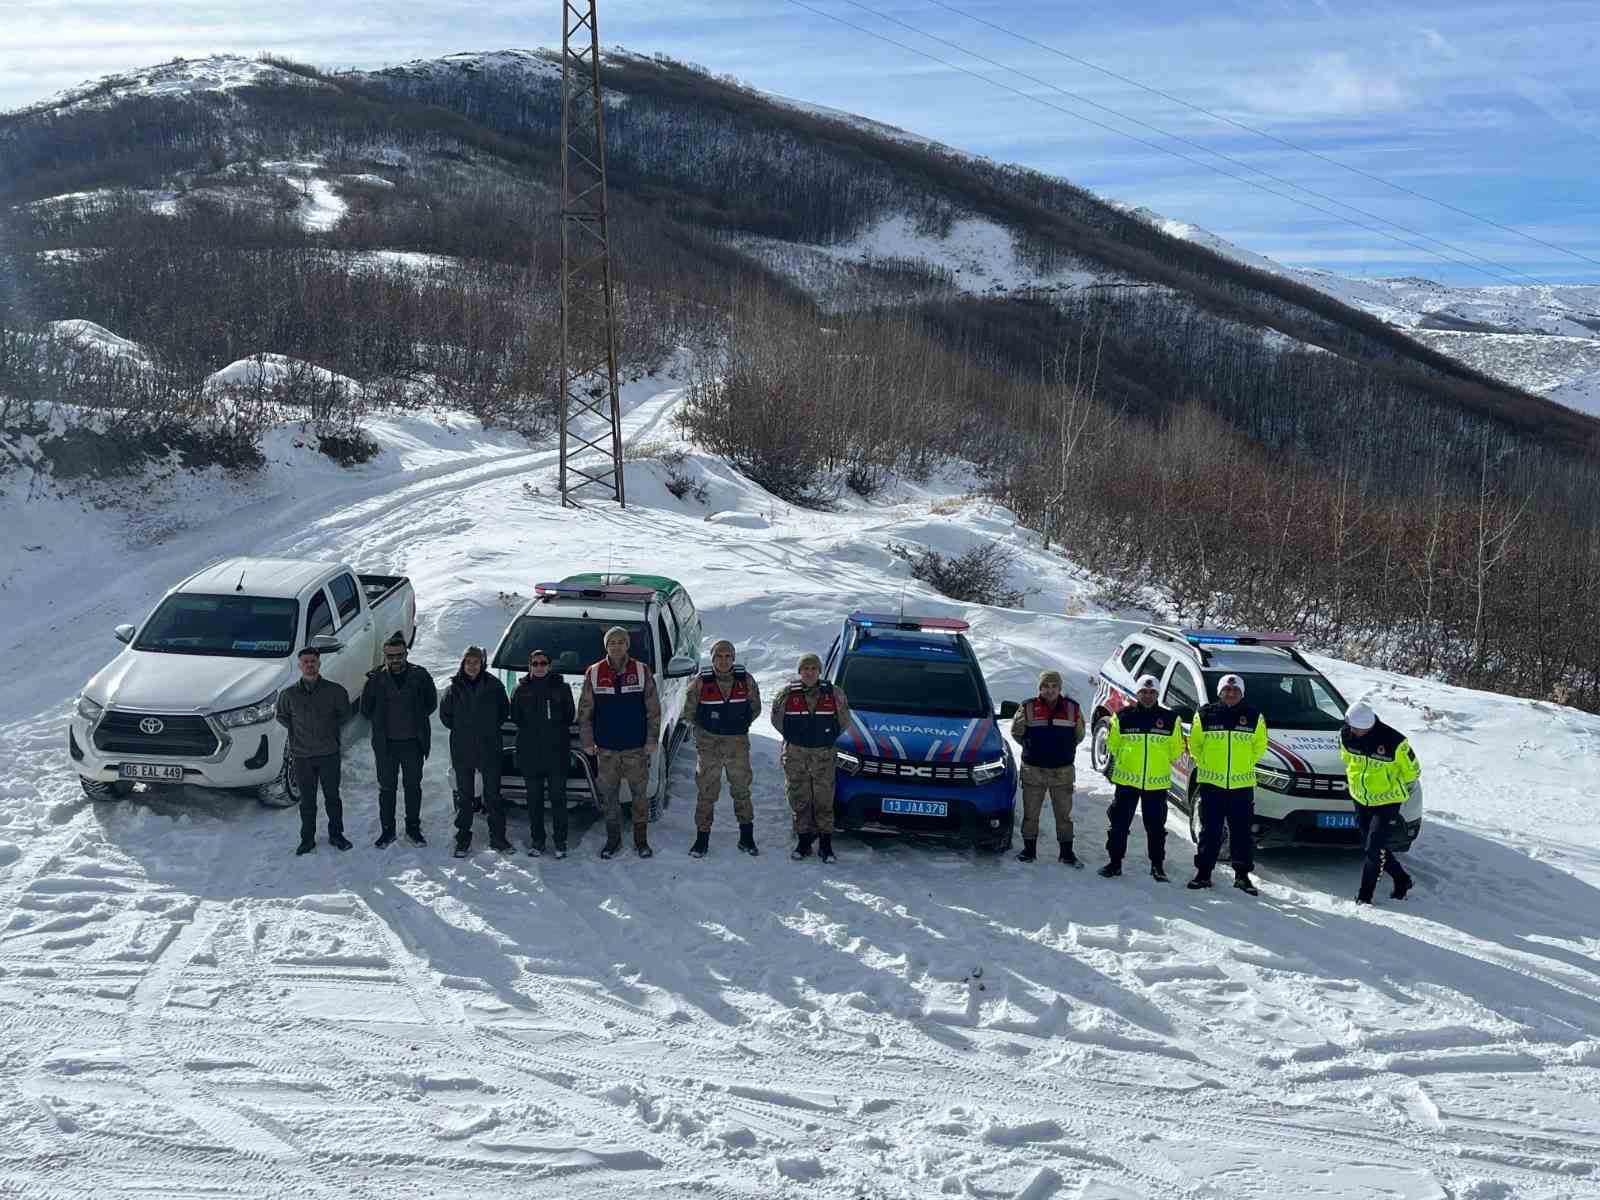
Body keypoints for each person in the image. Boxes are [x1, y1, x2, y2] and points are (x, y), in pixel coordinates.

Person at [578, 626, 663, 859]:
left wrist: (652, 740)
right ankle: (613, 840)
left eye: (620, 641)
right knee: (609, 797)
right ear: (606, 646)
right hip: (606, 750)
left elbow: (653, 709)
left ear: (627, 645)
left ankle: (641, 840)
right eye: (611, 642)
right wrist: (587, 741)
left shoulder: (641, 670)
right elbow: (585, 711)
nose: (616, 646)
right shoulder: (594, 672)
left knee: (639, 796)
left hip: (635, 748)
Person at [1186, 672, 1268, 895]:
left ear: (1242, 693)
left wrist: (1244, 764)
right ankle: (1203, 874)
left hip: (1241, 786)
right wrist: (1208, 765)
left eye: (1235, 690)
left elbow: (1260, 745)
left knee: (1242, 833)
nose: (1231, 693)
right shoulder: (1205, 714)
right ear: (1220, 692)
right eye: (1227, 690)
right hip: (1212, 785)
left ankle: (1242, 876)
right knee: (1210, 832)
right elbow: (1195, 744)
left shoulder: (1253, 716)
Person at [1100, 674, 1184, 881]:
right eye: (1143, 692)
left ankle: (1157, 866)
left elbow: (1176, 749)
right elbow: (1113, 744)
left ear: (1158, 694)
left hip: (1156, 784)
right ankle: (1115, 862)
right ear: (1136, 693)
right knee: (1119, 825)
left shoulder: (1170, 718)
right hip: (1127, 781)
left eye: (1152, 692)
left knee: (1156, 828)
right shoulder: (1122, 716)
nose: (1147, 696)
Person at [683, 638, 762, 858]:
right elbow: (689, 712)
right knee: (707, 793)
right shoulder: (701, 681)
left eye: (728, 656)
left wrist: (736, 724)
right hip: (710, 747)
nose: (724, 660)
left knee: (741, 791)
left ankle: (747, 838)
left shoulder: (745, 680)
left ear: (734, 658)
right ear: (713, 658)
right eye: (719, 656)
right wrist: (706, 732)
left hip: (737, 746)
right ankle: (701, 840)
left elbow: (755, 708)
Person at [359, 632, 438, 848]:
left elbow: (431, 704)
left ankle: (413, 828)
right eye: (391, 656)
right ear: (385, 656)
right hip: (386, 745)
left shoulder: (420, 676)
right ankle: (387, 830)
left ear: (406, 653)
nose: (395, 660)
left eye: (399, 655)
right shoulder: (375, 680)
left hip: (413, 744)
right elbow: (365, 709)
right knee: (387, 788)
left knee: (413, 787)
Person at [770, 653, 850, 864]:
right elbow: (777, 720)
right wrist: (798, 738)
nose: (809, 672)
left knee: (824, 799)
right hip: (796, 756)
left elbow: (844, 721)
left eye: (814, 668)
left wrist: (823, 738)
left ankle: (826, 844)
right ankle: (803, 841)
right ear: (799, 672)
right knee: (799, 798)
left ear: (819, 671)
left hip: (823, 756)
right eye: (805, 668)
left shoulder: (834, 694)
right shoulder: (787, 694)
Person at [275, 644, 353, 856]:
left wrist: (328, 731)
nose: (310, 665)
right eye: (306, 662)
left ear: (319, 663)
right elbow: (282, 716)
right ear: (299, 665)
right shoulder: (288, 694)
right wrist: (299, 733)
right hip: (302, 756)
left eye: (313, 661)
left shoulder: (334, 691)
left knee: (332, 797)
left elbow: (344, 714)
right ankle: (307, 839)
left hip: (328, 753)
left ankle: (337, 834)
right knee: (307, 801)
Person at [1339, 701, 1419, 905]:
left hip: (1387, 802)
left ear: (1367, 726)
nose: (1352, 731)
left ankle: (1364, 897)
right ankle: (1402, 879)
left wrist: (1397, 786)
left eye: (1356, 728)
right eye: (1350, 726)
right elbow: (1347, 760)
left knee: (1374, 848)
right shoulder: (1346, 735)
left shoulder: (1394, 742)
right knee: (1372, 846)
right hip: (1360, 799)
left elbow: (1413, 771)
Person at [439, 644, 511, 857]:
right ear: (463, 663)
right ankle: (463, 838)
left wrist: (485, 730)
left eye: (476, 662)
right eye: (468, 662)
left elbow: (502, 712)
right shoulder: (454, 688)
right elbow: (446, 717)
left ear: (482, 664)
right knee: (465, 796)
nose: (472, 666)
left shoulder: (494, 686)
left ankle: (498, 838)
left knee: (492, 795)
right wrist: (465, 731)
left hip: (489, 747)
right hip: (462, 749)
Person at [1009, 669, 1085, 866]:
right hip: (1033, 771)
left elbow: (1080, 735)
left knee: (1064, 815)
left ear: (1060, 688)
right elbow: (1017, 733)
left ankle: (1066, 853)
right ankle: (1029, 850)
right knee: (1031, 814)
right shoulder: (1027, 707)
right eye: (1045, 686)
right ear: (1039, 688)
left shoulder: (1072, 708)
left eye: (1054, 686)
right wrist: (1034, 748)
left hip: (1062, 771)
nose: (1050, 690)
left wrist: (1063, 749)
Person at [510, 648, 576, 858]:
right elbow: (516, 717)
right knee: (534, 800)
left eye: (543, 663)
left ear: (549, 665)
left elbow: (569, 716)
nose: (539, 667)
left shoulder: (561, 688)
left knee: (558, 798)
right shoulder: (521, 690)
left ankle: (560, 842)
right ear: (529, 666)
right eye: (535, 663)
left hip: (556, 753)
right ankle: (537, 841)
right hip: (530, 753)